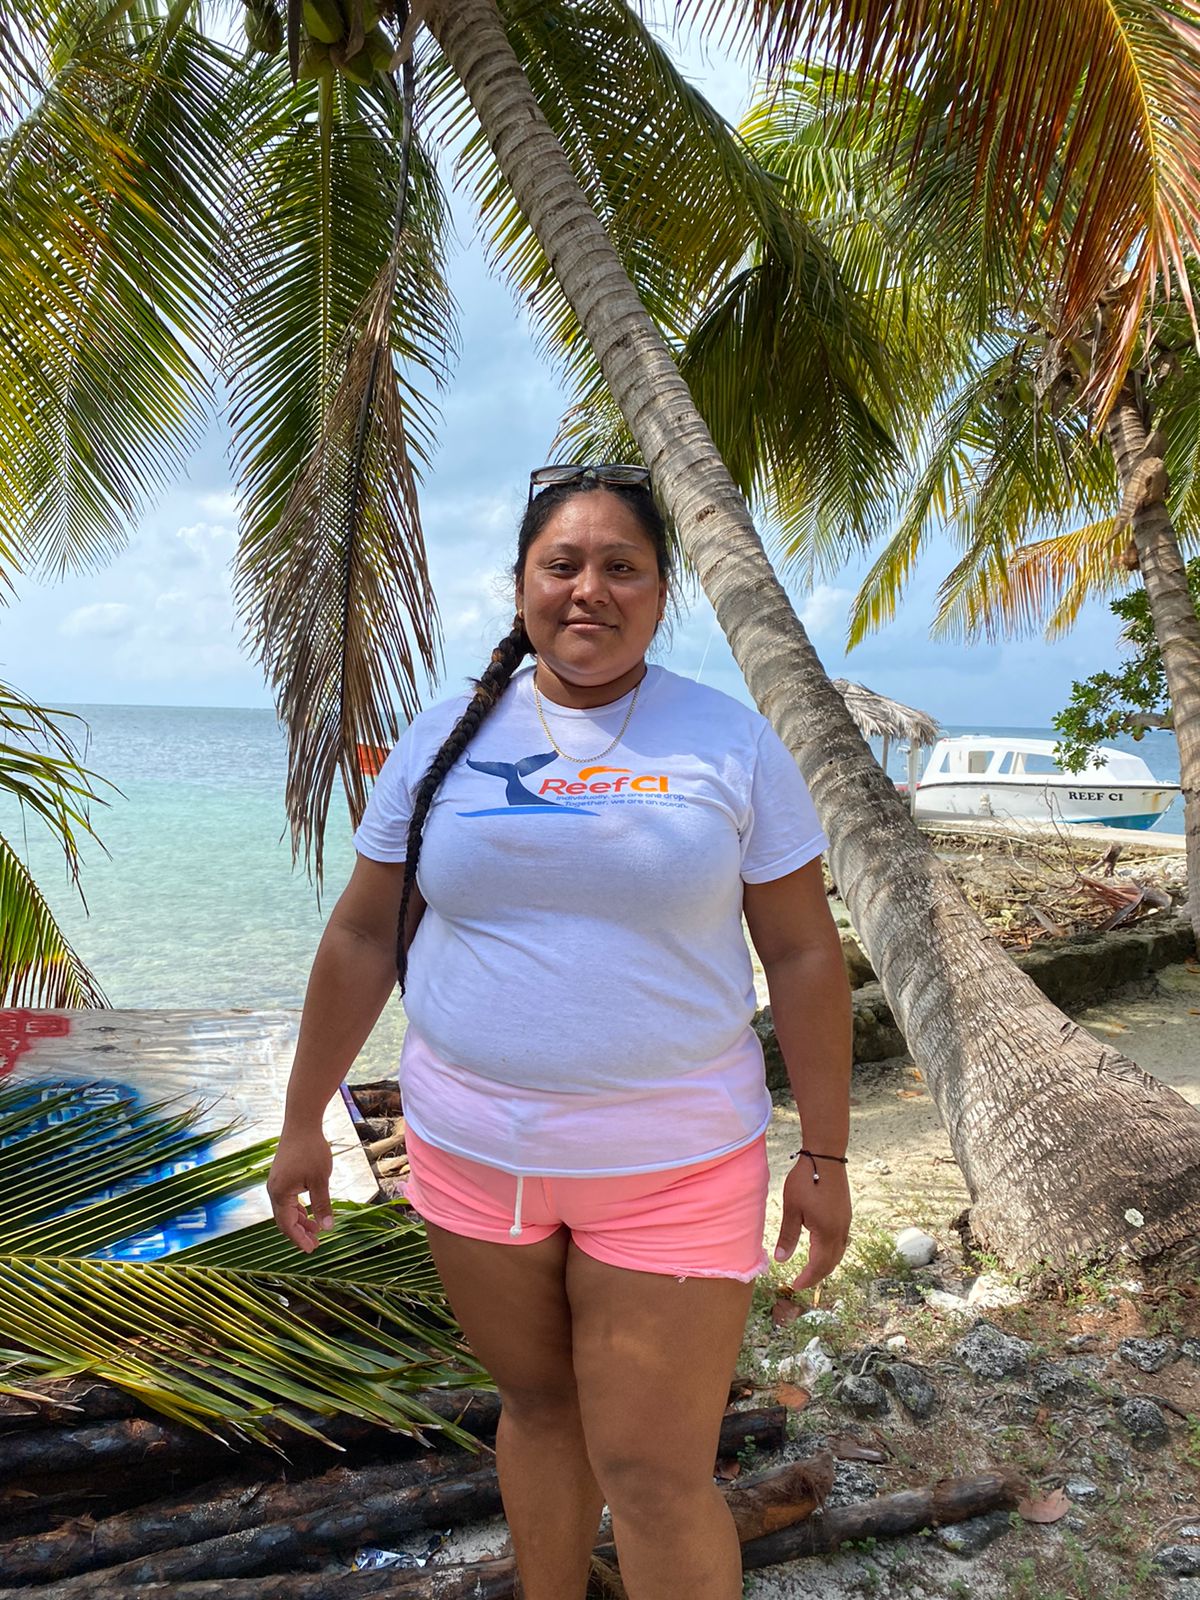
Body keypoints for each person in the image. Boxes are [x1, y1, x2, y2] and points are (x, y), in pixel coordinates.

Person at [267, 464, 853, 1600]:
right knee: (538, 1411)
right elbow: (359, 939)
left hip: (673, 1167)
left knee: (653, 1470)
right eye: (563, 564)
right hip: (474, 1158)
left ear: (661, 588)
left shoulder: (728, 743)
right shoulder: (446, 741)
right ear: (523, 584)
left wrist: (822, 1154)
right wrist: (303, 1121)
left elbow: (802, 953)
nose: (590, 589)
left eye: (620, 565)